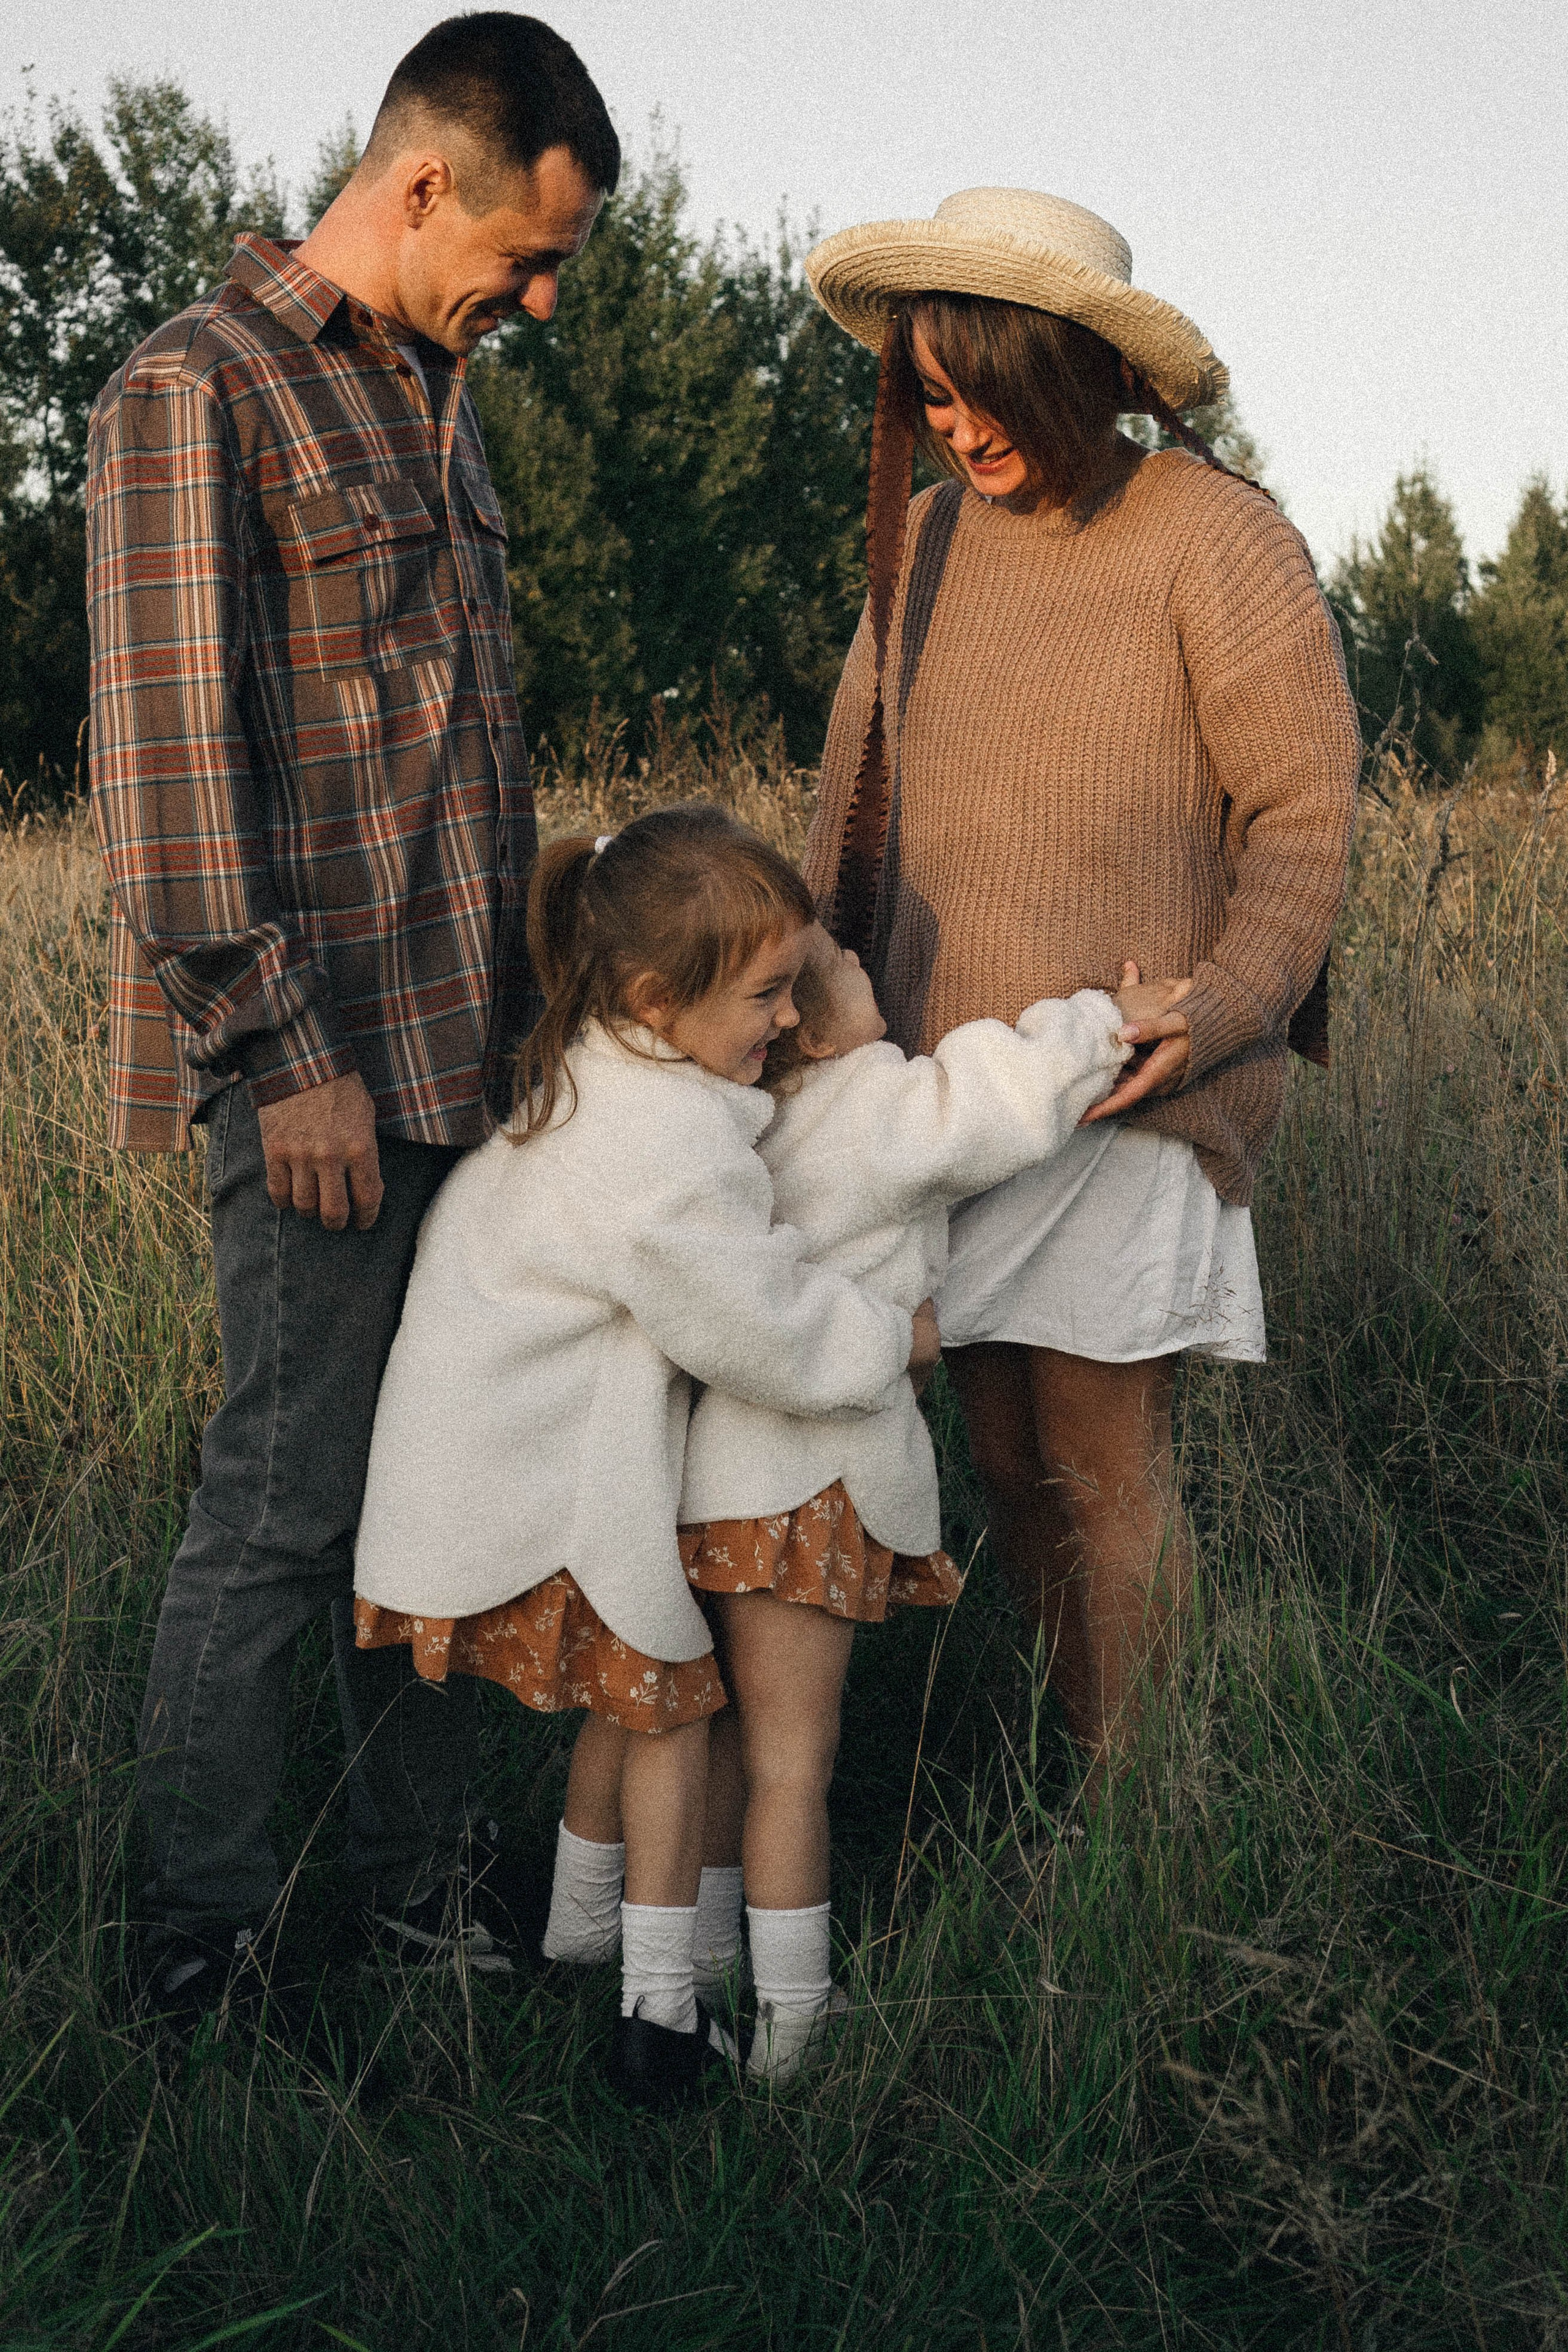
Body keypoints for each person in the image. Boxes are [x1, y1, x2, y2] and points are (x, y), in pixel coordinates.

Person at [85, 12, 619, 2039]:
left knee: (443, 1500)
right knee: (284, 1513)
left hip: (469, 1067)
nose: (543, 301)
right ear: (420, 185)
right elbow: (169, 771)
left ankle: (416, 1897)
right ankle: (201, 1947)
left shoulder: (438, 398)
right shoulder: (195, 391)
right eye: (528, 255)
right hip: (316, 1073)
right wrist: (278, 1050)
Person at [801, 189, 1362, 1795]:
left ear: (1085, 374)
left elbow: (1304, 814)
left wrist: (1227, 1002)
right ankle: (1091, 1775)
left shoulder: (1211, 532)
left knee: (1101, 1465)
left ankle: (1140, 1820)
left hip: (1126, 1080)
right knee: (1002, 1462)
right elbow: (850, 800)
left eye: (988, 392)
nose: (960, 428)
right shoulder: (925, 543)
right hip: (943, 1104)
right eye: (932, 395)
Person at [352, 808, 941, 2107]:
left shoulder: (613, 1070)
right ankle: (659, 2015)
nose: (787, 1018)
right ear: (655, 1001)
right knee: (675, 1701)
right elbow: (757, 1323)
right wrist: (889, 1339)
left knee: (638, 1697)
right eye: (765, 995)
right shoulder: (659, 1149)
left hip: (491, 1459)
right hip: (530, 1483)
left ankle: (579, 1932)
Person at [673, 929, 1185, 2080]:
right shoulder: (872, 1105)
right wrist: (1105, 1021)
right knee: (795, 1765)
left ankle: (694, 1979)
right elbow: (992, 1101)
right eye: (850, 964)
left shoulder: (732, 1123)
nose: (870, 956)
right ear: (813, 1031)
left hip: (710, 1486)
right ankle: (794, 2025)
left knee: (724, 1738)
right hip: (807, 1495)